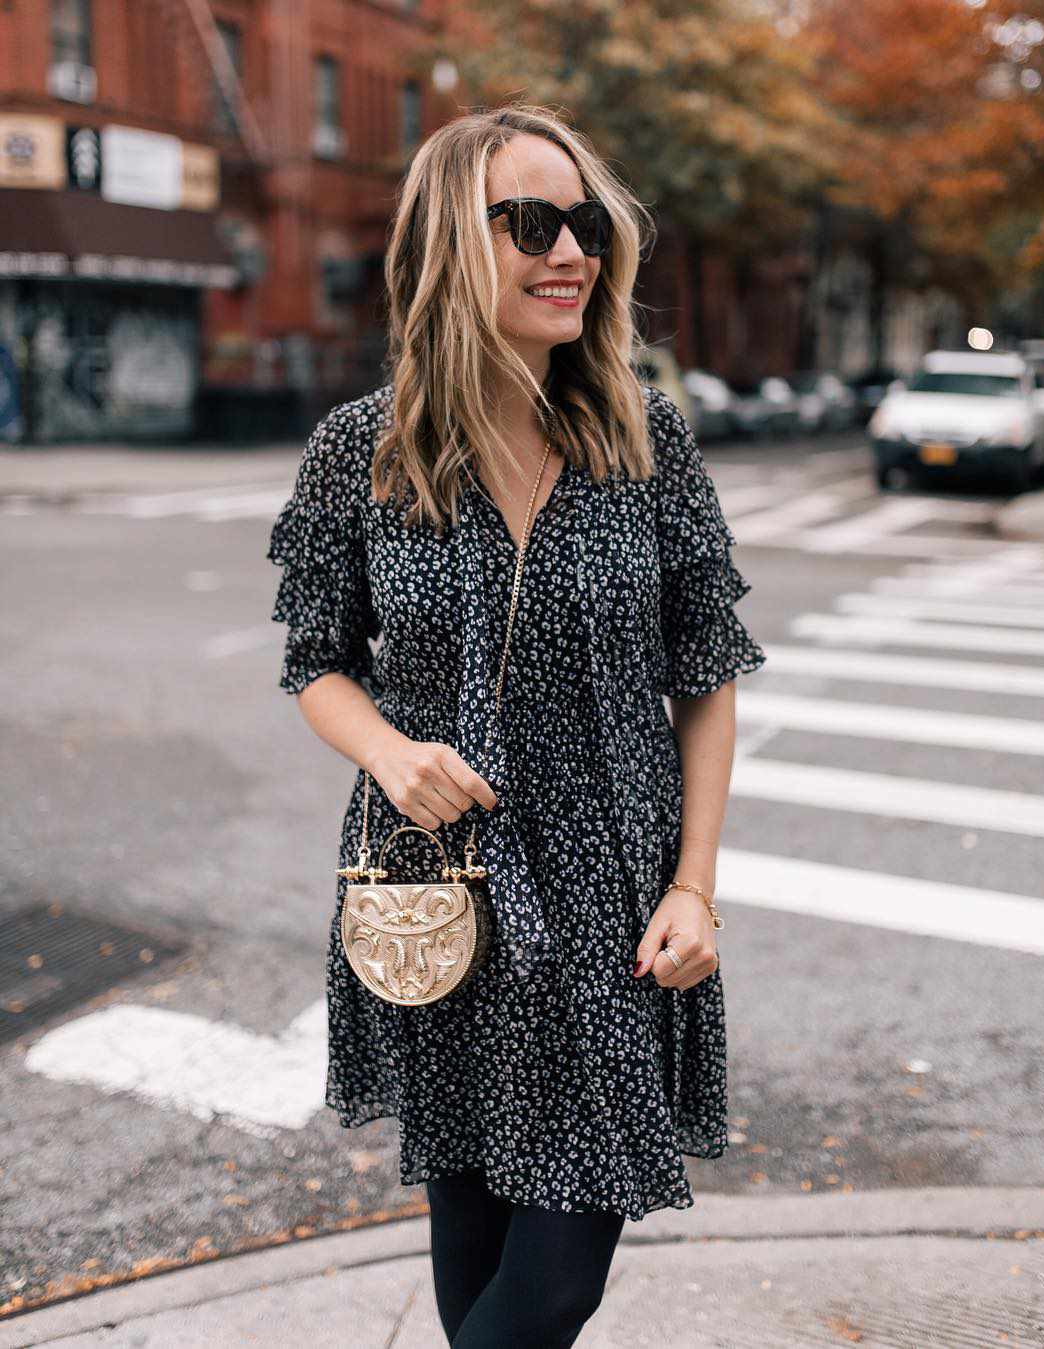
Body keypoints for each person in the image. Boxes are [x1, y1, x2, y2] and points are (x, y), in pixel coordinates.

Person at [267, 102, 767, 1348]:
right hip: (443, 890)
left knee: (550, 1285)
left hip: (611, 898)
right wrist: (387, 749)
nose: (572, 253)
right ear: (451, 244)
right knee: (473, 1249)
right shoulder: (364, 453)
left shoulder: (645, 444)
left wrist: (696, 886)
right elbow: (316, 663)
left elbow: (705, 673)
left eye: (586, 224)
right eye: (533, 223)